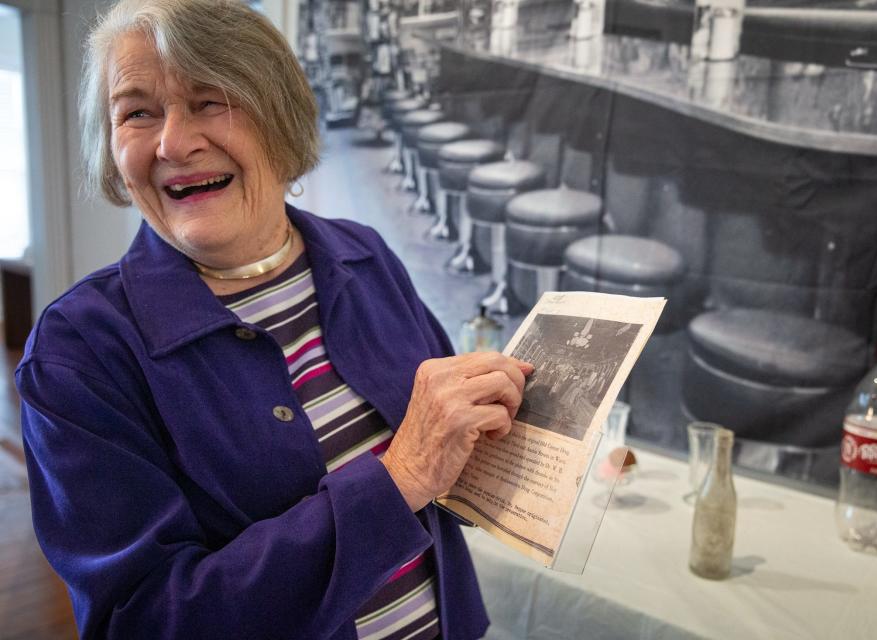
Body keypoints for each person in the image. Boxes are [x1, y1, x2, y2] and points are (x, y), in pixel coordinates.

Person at [15, 1, 533, 638]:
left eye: (211, 100)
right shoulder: (79, 353)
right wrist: (398, 479)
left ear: (281, 116)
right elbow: (145, 620)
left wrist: (541, 452)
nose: (174, 142)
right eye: (138, 112)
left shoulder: (363, 255)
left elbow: (449, 463)